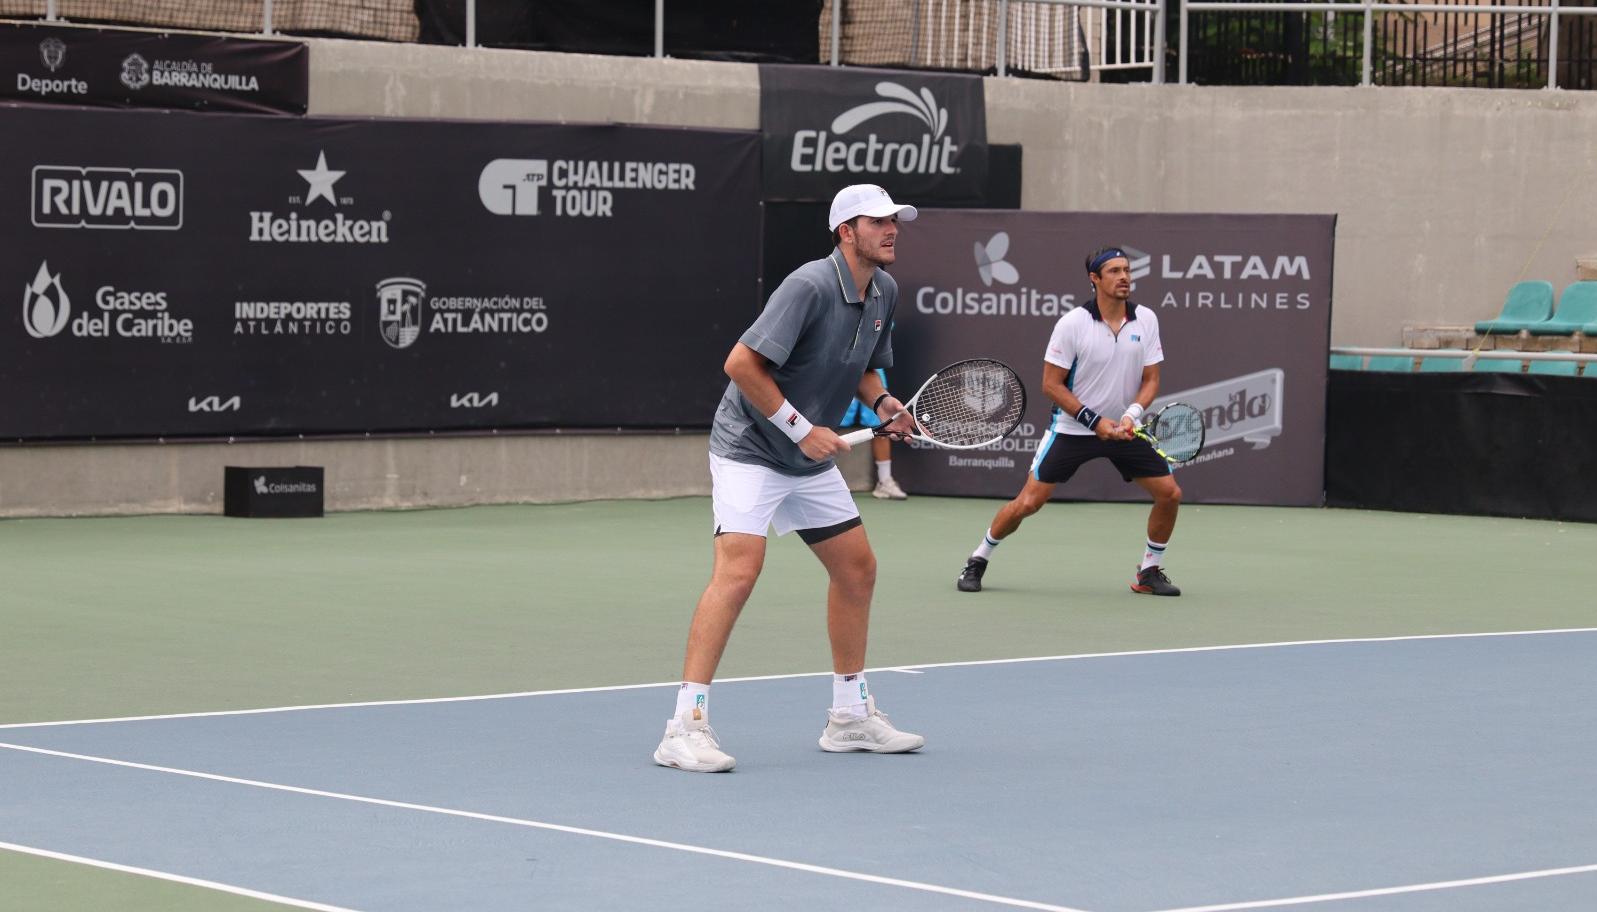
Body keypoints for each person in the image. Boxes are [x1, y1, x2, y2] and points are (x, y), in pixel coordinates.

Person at [653, 184, 926, 773]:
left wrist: (883, 406)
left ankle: (850, 718)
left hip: (804, 459)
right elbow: (740, 364)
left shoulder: (885, 291)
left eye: (893, 220)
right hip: (749, 447)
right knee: (740, 570)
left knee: (857, 568)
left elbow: (866, 371)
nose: (891, 228)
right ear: (845, 232)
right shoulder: (807, 284)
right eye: (877, 221)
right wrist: (800, 427)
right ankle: (684, 726)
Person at [955, 246, 1183, 597]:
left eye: (1127, 270)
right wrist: (1094, 421)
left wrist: (1130, 415)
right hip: (1073, 429)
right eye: (1114, 271)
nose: (1124, 277)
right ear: (1095, 279)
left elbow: (1151, 379)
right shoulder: (1072, 324)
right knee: (1028, 503)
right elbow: (1051, 385)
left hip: (1124, 429)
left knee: (1169, 494)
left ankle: (1149, 572)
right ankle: (978, 558)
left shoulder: (1146, 319)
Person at [839, 367, 909, 500]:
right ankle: (813, 478)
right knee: (826, 421)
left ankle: (884, 481)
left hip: (871, 367)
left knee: (881, 425)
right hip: (836, 364)